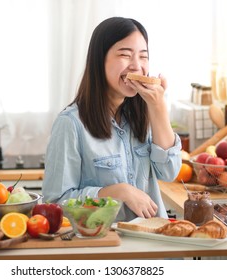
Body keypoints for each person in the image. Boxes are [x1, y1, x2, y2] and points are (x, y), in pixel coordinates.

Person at [42, 17, 182, 221]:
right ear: (100, 60)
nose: (136, 66)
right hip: (105, 246)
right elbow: (56, 203)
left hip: (153, 246)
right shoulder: (70, 123)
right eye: (125, 55)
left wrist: (159, 108)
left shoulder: (146, 113)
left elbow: (169, 172)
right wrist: (118, 191)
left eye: (143, 57)